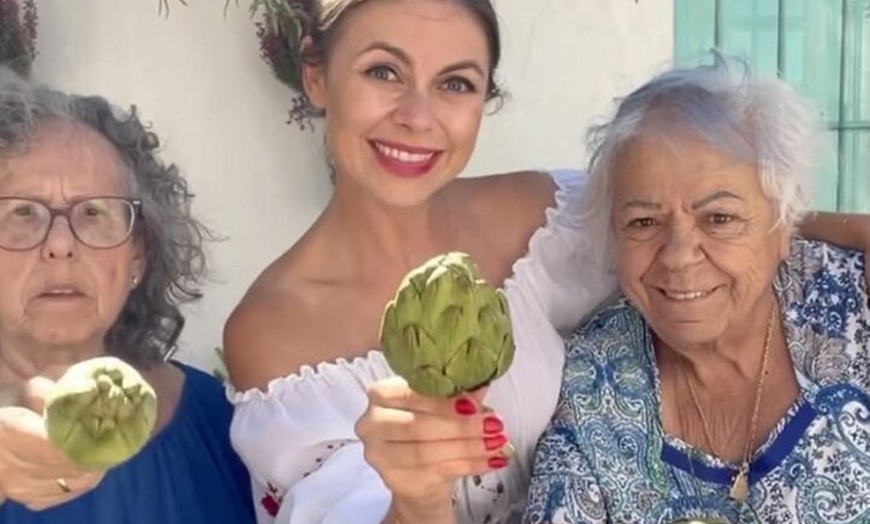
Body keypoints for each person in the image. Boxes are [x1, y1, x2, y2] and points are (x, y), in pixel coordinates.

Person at [224, 1, 870, 523]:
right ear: (316, 76)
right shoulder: (274, 330)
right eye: (383, 72)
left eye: (455, 82)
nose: (417, 117)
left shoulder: (545, 208)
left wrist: (800, 225)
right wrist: (417, 500)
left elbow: (685, 210)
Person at [523, 55, 870, 524]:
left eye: (719, 218)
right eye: (643, 222)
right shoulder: (594, 377)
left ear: (784, 221)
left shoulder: (854, 307)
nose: (678, 255)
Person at [0, 68, 256, 524]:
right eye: (23, 212)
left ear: (139, 255)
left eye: (94, 212)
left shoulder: (225, 422)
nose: (60, 244)